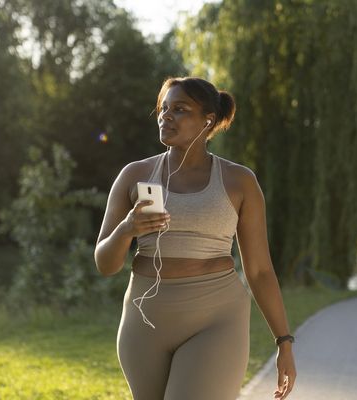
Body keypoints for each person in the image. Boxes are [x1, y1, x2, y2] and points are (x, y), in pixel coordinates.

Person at [94, 76, 296, 400]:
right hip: (144, 322)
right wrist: (127, 229)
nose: (166, 116)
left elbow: (259, 271)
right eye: (164, 109)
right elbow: (105, 263)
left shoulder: (239, 181)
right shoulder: (134, 175)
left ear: (208, 120)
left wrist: (284, 341)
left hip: (215, 320)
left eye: (180, 109)